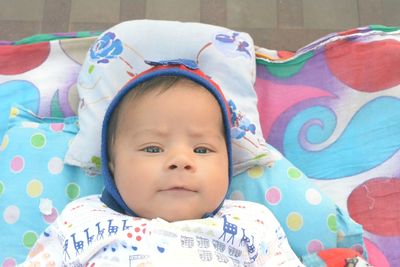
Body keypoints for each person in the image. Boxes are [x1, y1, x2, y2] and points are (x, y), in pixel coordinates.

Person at [21, 60, 304, 266]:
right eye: (153, 148)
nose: (180, 161)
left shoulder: (252, 223)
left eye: (202, 149)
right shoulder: (82, 219)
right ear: (112, 165)